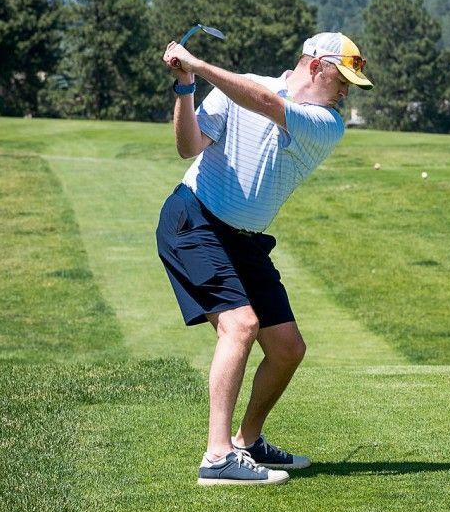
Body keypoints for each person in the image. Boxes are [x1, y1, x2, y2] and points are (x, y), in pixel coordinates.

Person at [157, 31, 372, 485]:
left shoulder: (324, 123)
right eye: (343, 81)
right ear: (316, 66)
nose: (346, 93)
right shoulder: (239, 88)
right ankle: (218, 458)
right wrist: (184, 89)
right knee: (240, 325)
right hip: (193, 219)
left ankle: (247, 441)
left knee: (288, 349)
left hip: (246, 240)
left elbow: (264, 103)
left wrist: (198, 66)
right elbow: (188, 146)